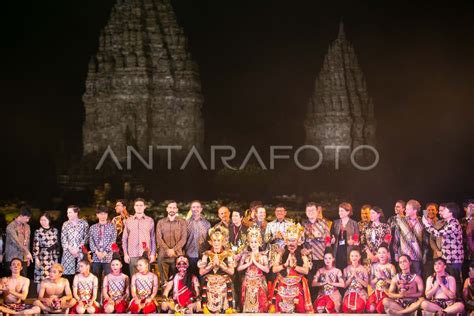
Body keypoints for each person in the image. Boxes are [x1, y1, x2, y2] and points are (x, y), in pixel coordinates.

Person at [269, 223, 313, 313]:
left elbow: (306, 271)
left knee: (299, 308)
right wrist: (284, 265)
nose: (291, 243)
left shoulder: (303, 253)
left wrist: (294, 266)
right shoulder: (281, 252)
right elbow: (274, 269)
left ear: (298, 241)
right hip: (283, 283)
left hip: (297, 284)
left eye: (293, 241)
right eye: (289, 240)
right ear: (286, 241)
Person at [422, 202, 464, 295]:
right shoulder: (448, 223)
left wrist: (426, 224)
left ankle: (458, 302)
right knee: (449, 281)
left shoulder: (454, 223)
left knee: (455, 280)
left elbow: (437, 233)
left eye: (445, 210)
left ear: (451, 213)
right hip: (448, 258)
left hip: (454, 258)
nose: (442, 212)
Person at [198, 226, 235, 314]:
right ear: (211, 242)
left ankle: (227, 307)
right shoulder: (206, 254)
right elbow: (201, 272)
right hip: (210, 279)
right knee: (206, 282)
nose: (216, 243)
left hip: (223, 279)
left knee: (226, 283)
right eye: (214, 241)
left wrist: (223, 267)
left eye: (219, 241)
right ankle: (206, 307)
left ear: (223, 242)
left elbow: (232, 272)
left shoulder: (228, 254)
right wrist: (210, 266)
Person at [155, 200, 187, 289]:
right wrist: (167, 250)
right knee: (164, 280)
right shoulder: (161, 222)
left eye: (174, 207)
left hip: (177, 255)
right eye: (170, 207)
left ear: (177, 210)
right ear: (167, 209)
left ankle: (175, 298)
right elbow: (158, 238)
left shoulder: (182, 222)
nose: (172, 209)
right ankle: (165, 299)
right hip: (163, 255)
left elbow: (183, 239)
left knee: (177, 279)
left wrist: (173, 250)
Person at [238, 226, 269, 313]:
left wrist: (255, 263)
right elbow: (239, 268)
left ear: (259, 242)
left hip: (259, 281)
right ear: (249, 243)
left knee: (260, 304)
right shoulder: (246, 255)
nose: (253, 244)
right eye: (251, 242)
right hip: (248, 280)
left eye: (255, 242)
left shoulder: (263, 255)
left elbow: (267, 270)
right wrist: (248, 263)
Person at [122, 198, 156, 276]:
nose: (139, 207)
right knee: (134, 279)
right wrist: (125, 254)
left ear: (144, 207)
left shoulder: (149, 220)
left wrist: (153, 254)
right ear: (134, 207)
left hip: (145, 254)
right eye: (137, 205)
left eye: (141, 205)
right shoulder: (128, 221)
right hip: (132, 255)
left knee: (145, 279)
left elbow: (153, 239)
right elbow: (124, 239)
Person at [393, 199, 426, 276]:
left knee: (417, 277)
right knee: (404, 277)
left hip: (417, 255)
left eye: (408, 209)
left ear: (415, 210)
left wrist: (425, 255)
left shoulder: (422, 221)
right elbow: (396, 238)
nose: (405, 211)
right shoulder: (401, 221)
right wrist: (396, 253)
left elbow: (426, 240)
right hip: (404, 255)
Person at [89, 206, 116, 291]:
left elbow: (113, 241)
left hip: (107, 257)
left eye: (105, 214)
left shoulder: (112, 227)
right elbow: (91, 241)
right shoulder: (93, 227)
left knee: (108, 278)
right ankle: (95, 299)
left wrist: (105, 252)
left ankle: (108, 299)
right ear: (97, 215)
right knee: (95, 278)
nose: (103, 216)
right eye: (101, 214)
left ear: (107, 215)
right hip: (96, 257)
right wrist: (96, 252)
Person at [302, 202, 330, 287]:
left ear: (317, 211)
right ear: (306, 212)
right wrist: (302, 249)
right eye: (308, 210)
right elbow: (300, 240)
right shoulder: (303, 224)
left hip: (320, 257)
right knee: (309, 283)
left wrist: (319, 237)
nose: (311, 212)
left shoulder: (323, 223)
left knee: (321, 282)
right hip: (307, 258)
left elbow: (328, 239)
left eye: (313, 210)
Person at [33, 212, 60, 292]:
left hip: (52, 256)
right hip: (42, 256)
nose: (42, 222)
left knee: (52, 276)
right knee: (41, 277)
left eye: (44, 220)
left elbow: (57, 245)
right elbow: (35, 245)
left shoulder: (55, 230)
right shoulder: (38, 231)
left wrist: (56, 258)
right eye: (41, 220)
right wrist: (36, 258)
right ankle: (40, 297)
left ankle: (50, 297)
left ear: (49, 220)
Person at [61, 205, 89, 283]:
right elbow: (63, 238)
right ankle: (68, 293)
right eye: (67, 213)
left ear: (76, 213)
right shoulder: (65, 224)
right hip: (68, 252)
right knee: (68, 275)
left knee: (80, 273)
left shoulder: (84, 223)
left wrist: (78, 249)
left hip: (80, 252)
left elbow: (86, 237)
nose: (68, 214)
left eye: (70, 212)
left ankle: (78, 292)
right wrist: (70, 249)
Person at [366, 244, 397, 313]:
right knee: (371, 308)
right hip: (376, 292)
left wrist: (384, 278)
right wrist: (377, 278)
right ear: (377, 254)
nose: (381, 255)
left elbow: (394, 284)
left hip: (387, 292)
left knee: (380, 309)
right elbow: (371, 283)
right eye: (379, 253)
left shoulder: (391, 267)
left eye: (384, 252)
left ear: (388, 254)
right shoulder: (374, 266)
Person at [185, 200, 211, 278]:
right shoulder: (186, 223)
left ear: (201, 209)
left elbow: (209, 240)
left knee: (202, 278)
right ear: (191, 209)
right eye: (193, 207)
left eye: (197, 207)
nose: (195, 209)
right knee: (191, 278)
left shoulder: (207, 224)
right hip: (190, 255)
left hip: (203, 256)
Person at [331, 202, 360, 270]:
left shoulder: (354, 223)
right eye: (339, 211)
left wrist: (353, 241)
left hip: (349, 250)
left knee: (348, 269)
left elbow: (356, 237)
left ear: (348, 212)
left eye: (342, 211)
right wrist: (331, 240)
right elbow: (331, 235)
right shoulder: (335, 223)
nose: (340, 212)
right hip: (337, 250)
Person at [228, 209, 247, 310]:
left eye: (236, 216)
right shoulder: (228, 228)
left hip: (242, 259)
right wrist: (231, 254)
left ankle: (242, 304)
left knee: (241, 282)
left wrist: (240, 254)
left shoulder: (246, 229)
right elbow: (225, 243)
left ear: (241, 218)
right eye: (232, 216)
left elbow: (248, 244)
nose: (233, 218)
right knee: (232, 281)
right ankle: (233, 304)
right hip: (231, 259)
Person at [5, 207, 32, 277]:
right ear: (21, 216)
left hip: (23, 258)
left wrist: (27, 257)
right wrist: (28, 252)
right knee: (11, 281)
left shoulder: (27, 227)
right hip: (12, 258)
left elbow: (27, 242)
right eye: (27, 218)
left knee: (23, 280)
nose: (28, 220)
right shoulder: (10, 227)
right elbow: (16, 242)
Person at [342, 248, 369, 313]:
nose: (354, 258)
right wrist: (351, 277)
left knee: (359, 307)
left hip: (360, 292)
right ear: (349, 257)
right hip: (349, 292)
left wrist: (357, 277)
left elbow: (366, 285)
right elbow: (344, 286)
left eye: (356, 256)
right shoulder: (346, 269)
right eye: (352, 256)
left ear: (359, 257)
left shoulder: (363, 269)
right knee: (347, 308)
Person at [424, 202, 444, 280]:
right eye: (428, 210)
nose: (431, 211)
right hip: (426, 251)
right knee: (428, 274)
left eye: (433, 210)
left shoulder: (440, 222)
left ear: (436, 211)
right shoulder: (423, 222)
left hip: (437, 252)